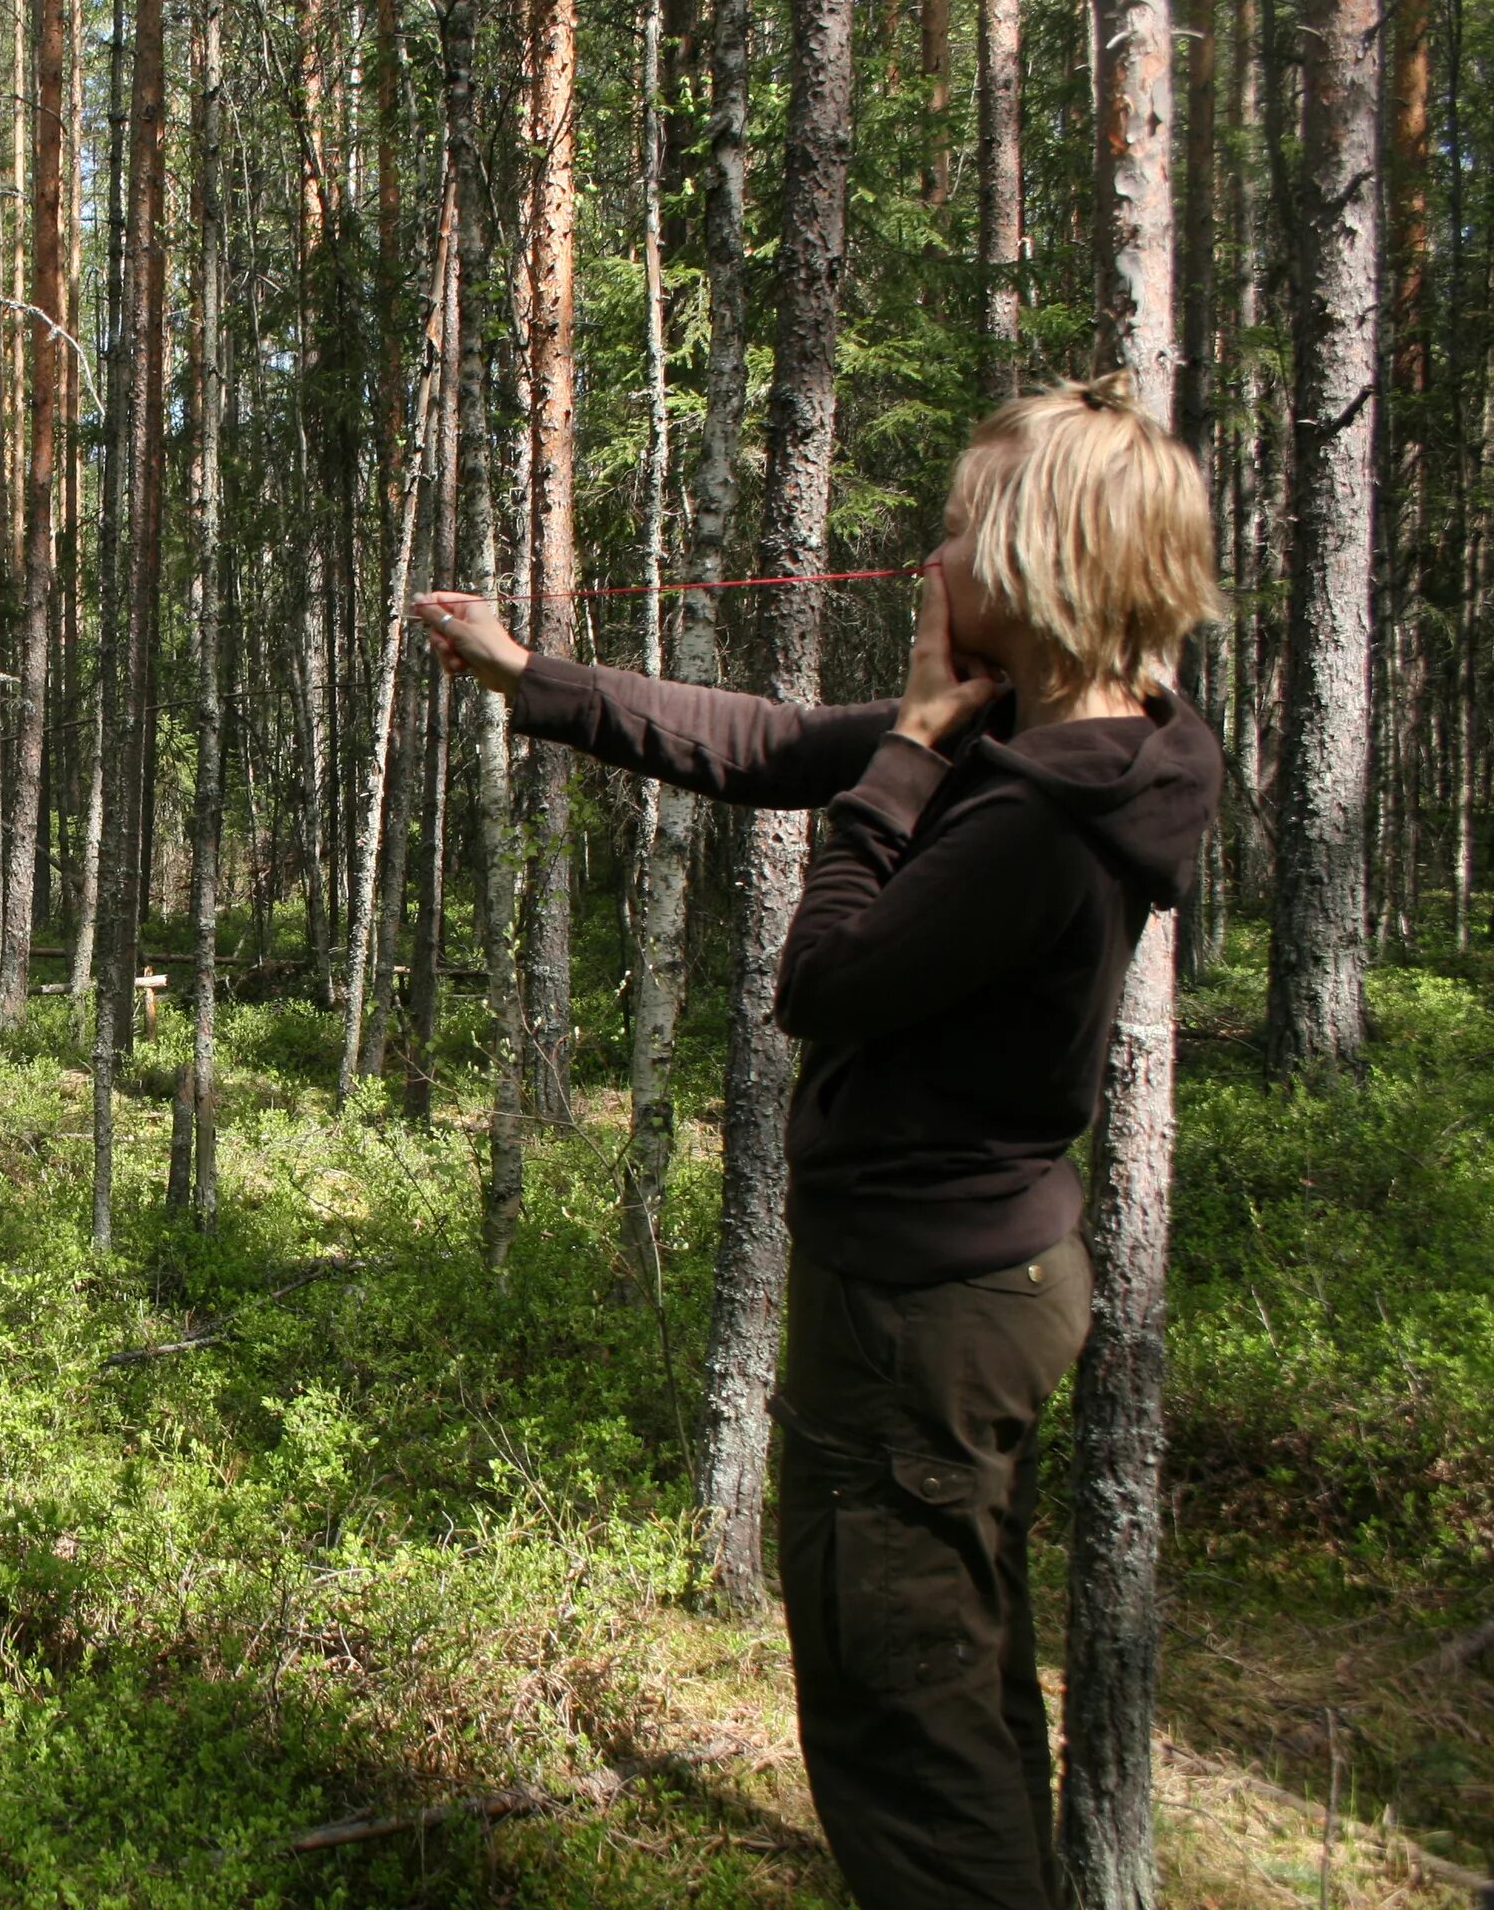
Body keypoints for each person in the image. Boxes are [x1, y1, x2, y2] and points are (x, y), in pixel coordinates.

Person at [414, 376, 1223, 1910]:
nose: (935, 558)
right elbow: (777, 742)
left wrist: (909, 748)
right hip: (972, 1291)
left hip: (924, 1318)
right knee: (952, 1679)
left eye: (965, 531)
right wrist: (534, 678)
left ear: (1044, 569)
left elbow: (823, 981)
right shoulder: (1072, 742)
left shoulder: (1038, 812)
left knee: (904, 1732)